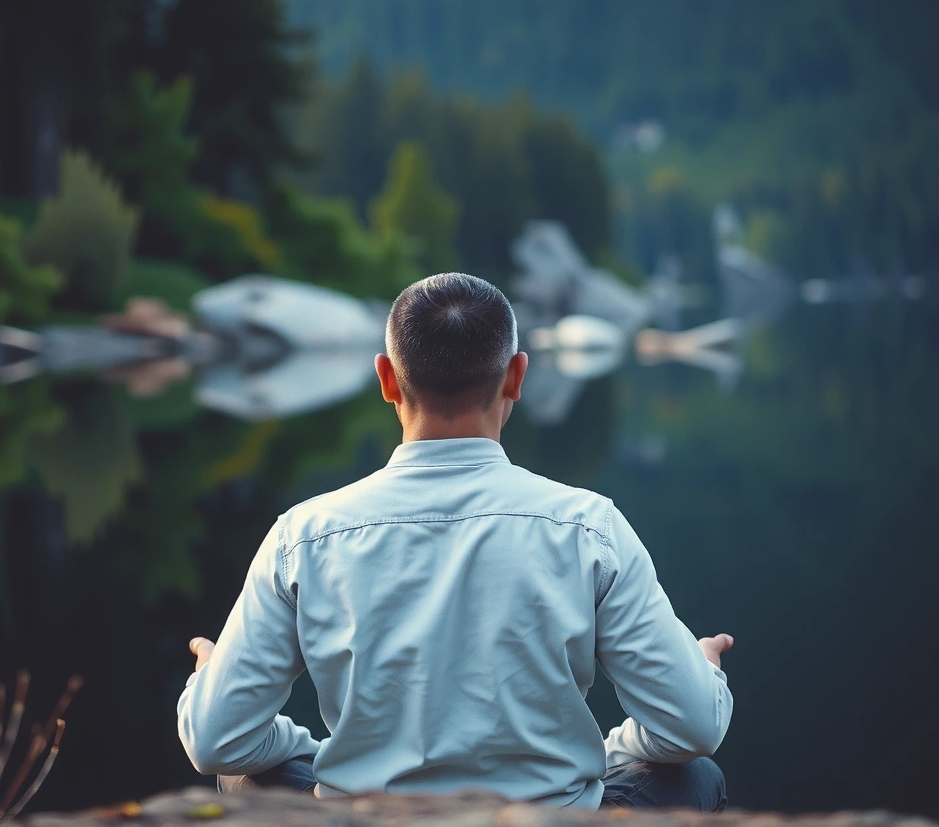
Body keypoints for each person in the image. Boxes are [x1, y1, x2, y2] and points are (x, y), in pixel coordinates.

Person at [178, 273, 733, 809]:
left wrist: (277, 730)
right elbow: (691, 729)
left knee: (242, 767)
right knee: (693, 774)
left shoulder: (304, 534)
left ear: (387, 379)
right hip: (546, 816)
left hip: (361, 814)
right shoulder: (590, 527)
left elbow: (215, 740)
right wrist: (686, 685)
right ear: (516, 376)